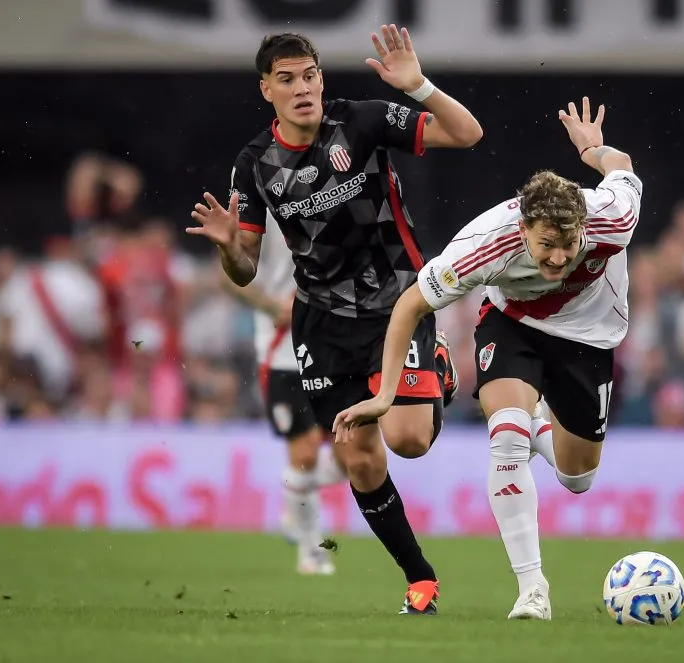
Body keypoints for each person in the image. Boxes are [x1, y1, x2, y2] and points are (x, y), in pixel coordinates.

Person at [187, 26, 482, 614]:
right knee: (359, 457)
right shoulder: (255, 164)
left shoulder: (362, 120)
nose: (302, 89)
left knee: (408, 442)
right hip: (321, 322)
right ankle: (419, 578)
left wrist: (418, 86)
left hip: (398, 304)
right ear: (266, 89)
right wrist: (227, 246)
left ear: (321, 79)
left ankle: (436, 364)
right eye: (287, 80)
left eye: (310, 76)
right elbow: (244, 271)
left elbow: (468, 134)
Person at [333, 97, 640, 621]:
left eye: (569, 244)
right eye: (547, 244)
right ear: (523, 230)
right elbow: (409, 306)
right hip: (513, 325)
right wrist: (385, 395)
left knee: (577, 477)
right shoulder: (484, 243)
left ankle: (541, 427)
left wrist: (593, 150)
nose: (559, 257)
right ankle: (532, 589)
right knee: (506, 436)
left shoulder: (613, 217)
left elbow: (622, 167)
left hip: (589, 340)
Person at [221, 209, 346, 576]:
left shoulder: (342, 189)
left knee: (351, 459)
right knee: (304, 451)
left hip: (335, 344)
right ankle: (311, 552)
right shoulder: (258, 194)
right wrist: (272, 306)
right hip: (282, 349)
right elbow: (227, 276)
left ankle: (294, 495)